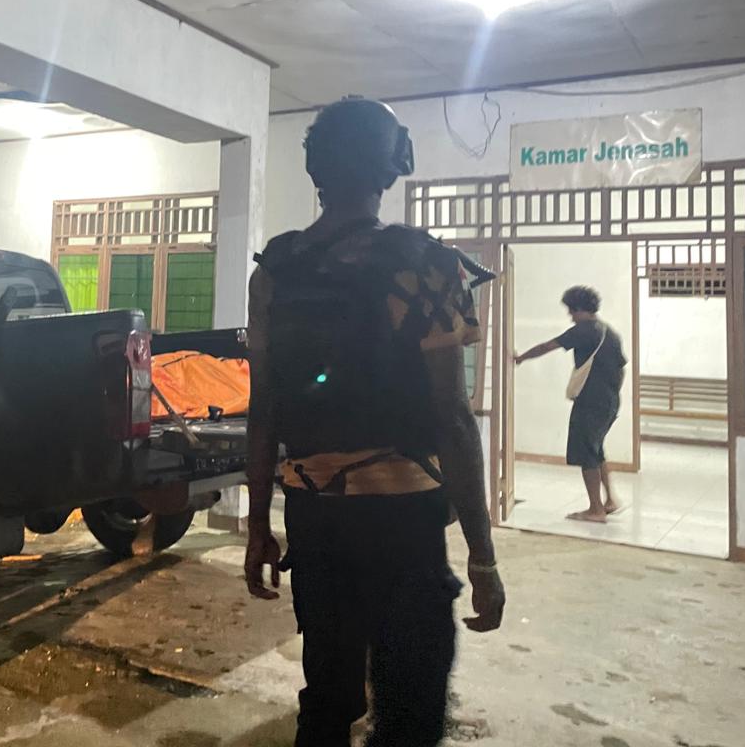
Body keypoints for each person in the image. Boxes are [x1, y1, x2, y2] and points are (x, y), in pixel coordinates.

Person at [243, 96, 505, 747]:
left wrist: (258, 527)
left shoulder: (276, 269)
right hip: (403, 523)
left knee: (326, 700)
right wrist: (482, 557)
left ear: (316, 170)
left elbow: (265, 409)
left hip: (313, 518)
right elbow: (452, 417)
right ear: (392, 166)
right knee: (409, 713)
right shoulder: (426, 264)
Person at [515, 286, 627, 523]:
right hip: (610, 400)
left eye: (571, 310)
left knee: (587, 453)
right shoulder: (609, 332)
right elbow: (621, 368)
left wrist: (521, 357)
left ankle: (595, 509)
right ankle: (610, 499)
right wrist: (609, 392)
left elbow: (547, 346)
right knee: (596, 449)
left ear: (578, 308)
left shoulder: (584, 330)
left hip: (590, 401)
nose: (570, 316)